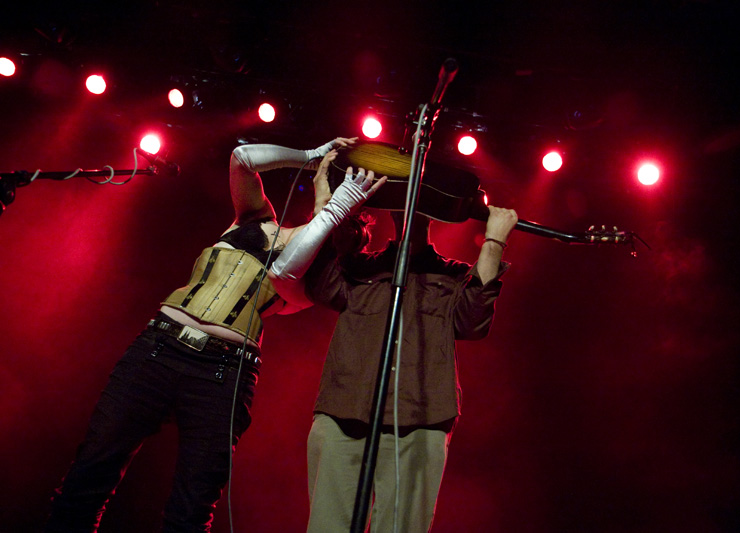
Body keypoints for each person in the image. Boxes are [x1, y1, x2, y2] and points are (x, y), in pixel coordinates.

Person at [44, 137, 385, 532]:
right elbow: (242, 158)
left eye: (341, 204)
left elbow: (284, 269)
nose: (332, 195)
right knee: (88, 475)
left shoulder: (313, 278)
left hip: (222, 374)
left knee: (191, 509)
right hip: (158, 346)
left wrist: (339, 206)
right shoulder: (255, 218)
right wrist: (309, 159)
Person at [303, 197, 519, 532]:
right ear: (391, 208)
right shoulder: (358, 267)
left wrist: (494, 242)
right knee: (328, 526)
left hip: (422, 417)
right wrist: (327, 207)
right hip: (345, 410)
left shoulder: (454, 274)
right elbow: (320, 287)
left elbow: (473, 323)